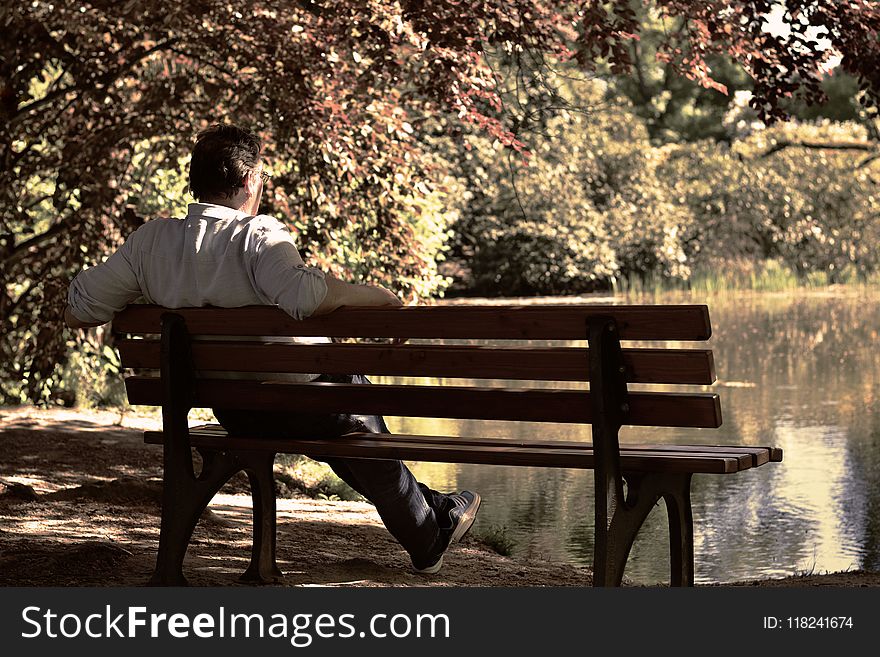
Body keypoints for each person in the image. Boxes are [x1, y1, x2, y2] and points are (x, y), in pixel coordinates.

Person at [64, 123, 480, 574]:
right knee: (350, 409)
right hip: (306, 403)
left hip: (232, 410)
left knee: (344, 423)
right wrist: (381, 296)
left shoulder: (150, 242)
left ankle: (434, 510)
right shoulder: (258, 234)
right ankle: (427, 532)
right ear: (249, 180)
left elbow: (79, 310)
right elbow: (305, 296)